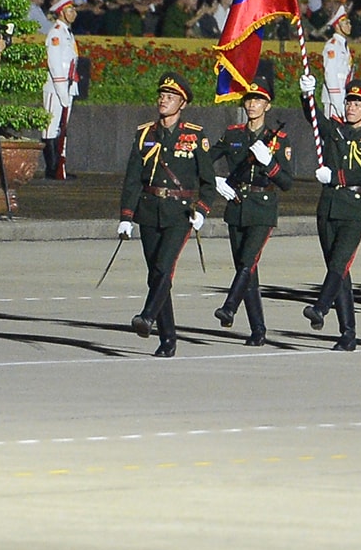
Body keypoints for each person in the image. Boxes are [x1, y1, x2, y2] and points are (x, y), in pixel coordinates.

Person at [117, 74, 218, 358]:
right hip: (149, 209)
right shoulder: (145, 134)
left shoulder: (195, 136)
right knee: (155, 275)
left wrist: (202, 210)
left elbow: (208, 181)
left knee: (164, 267)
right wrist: (126, 215)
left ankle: (147, 317)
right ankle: (168, 338)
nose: (164, 100)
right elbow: (133, 178)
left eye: (170, 97)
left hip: (180, 212)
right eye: (162, 95)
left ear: (182, 103)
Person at [299, 74, 361, 350]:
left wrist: (336, 176)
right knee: (339, 272)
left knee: (339, 264)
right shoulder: (334, 130)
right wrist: (307, 95)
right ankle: (348, 333)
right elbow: (314, 119)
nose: (351, 107)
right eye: (349, 102)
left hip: (354, 211)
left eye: (358, 104)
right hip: (328, 209)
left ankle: (321, 308)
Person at [212, 83, 295, 345]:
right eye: (249, 99)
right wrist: (214, 181)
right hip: (236, 205)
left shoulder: (279, 140)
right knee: (246, 270)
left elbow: (287, 182)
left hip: (262, 206)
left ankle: (229, 306)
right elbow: (205, 158)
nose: (252, 105)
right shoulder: (233, 134)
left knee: (248, 262)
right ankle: (258, 330)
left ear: (267, 106)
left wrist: (269, 164)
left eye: (258, 100)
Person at [41, 0, 81, 180]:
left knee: (62, 127)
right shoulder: (56, 33)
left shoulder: (67, 34)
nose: (74, 13)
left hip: (68, 86)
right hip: (56, 87)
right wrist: (61, 90)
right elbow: (55, 64)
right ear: (61, 12)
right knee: (51, 126)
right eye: (70, 9)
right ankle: (52, 168)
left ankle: (60, 166)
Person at [320, 6, 353, 120]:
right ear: (337, 26)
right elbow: (330, 75)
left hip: (344, 95)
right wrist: (337, 102)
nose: (349, 26)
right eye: (345, 23)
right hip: (334, 99)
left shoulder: (343, 46)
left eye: (349, 22)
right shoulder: (332, 46)